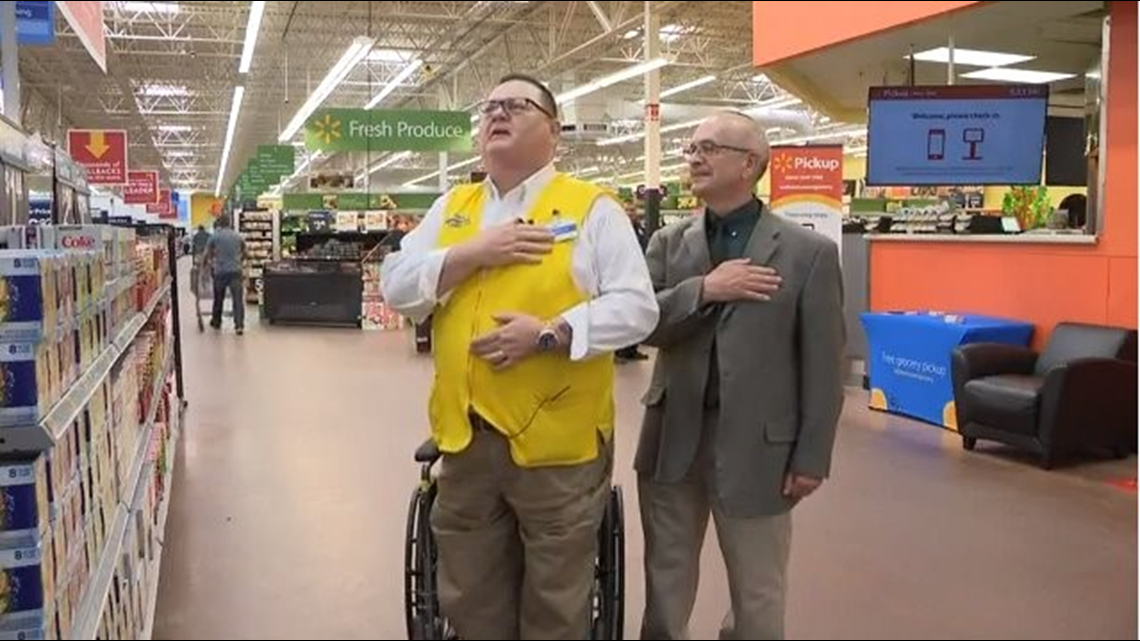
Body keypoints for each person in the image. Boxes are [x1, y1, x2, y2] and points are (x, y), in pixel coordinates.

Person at [380, 73, 658, 640]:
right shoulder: (453, 207)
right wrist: (470, 253)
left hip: (559, 450)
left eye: (516, 105)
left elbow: (637, 308)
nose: (497, 114)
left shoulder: (592, 209)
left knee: (557, 605)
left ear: (553, 131)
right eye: (490, 107)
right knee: (471, 597)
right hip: (466, 442)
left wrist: (552, 332)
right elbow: (398, 285)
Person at [634, 111, 846, 640]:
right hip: (672, 440)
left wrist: (812, 456)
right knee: (664, 585)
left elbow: (824, 365)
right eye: (691, 148)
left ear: (749, 164)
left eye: (709, 147)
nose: (694, 157)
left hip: (763, 450)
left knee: (757, 594)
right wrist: (705, 290)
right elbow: (640, 323)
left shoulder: (808, 253)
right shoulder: (667, 242)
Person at [202, 215, 246, 335]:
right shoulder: (238, 236)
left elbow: (207, 254)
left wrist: (206, 265)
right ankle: (239, 325)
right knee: (237, 299)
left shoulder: (214, 236)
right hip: (236, 271)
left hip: (220, 272)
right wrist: (239, 261)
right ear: (230, 223)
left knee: (218, 298)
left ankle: (216, 321)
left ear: (219, 224)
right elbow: (245, 252)